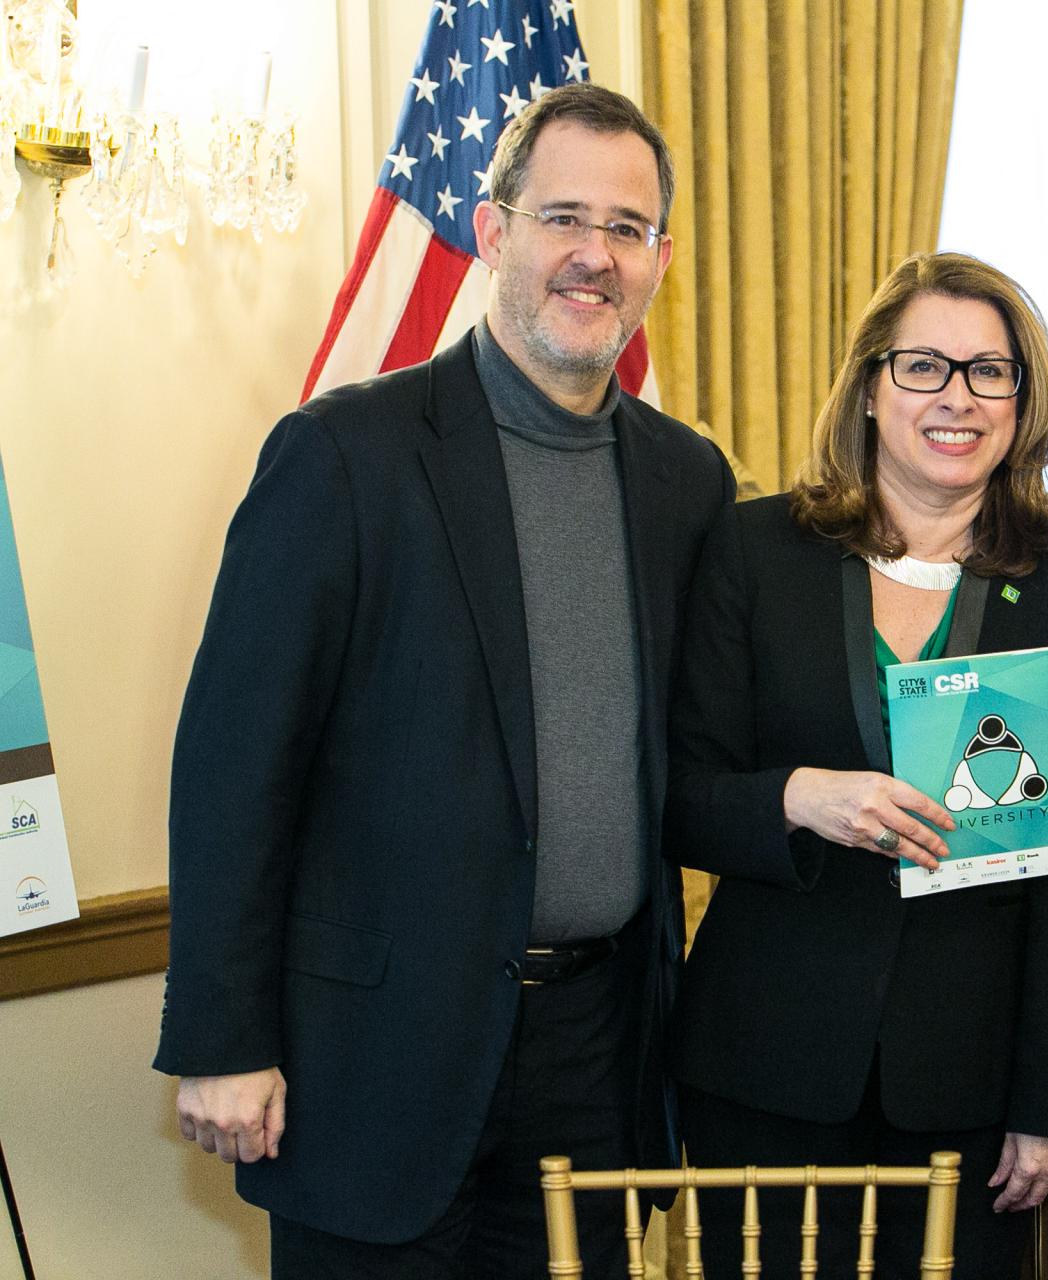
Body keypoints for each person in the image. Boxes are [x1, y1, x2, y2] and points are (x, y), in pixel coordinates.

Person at [152, 84, 735, 1277]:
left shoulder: (689, 483)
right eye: (564, 215)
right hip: (370, 1053)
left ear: (661, 260)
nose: (594, 255)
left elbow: (704, 740)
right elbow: (233, 764)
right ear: (493, 230)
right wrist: (222, 1034)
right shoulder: (342, 454)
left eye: (627, 229)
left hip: (594, 1056)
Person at [663, 251, 1048, 1277]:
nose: (956, 396)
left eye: (988, 371)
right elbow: (681, 795)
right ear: (871, 387)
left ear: (1021, 399)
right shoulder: (752, 549)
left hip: (969, 1086)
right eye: (923, 365)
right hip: (765, 1067)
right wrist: (794, 797)